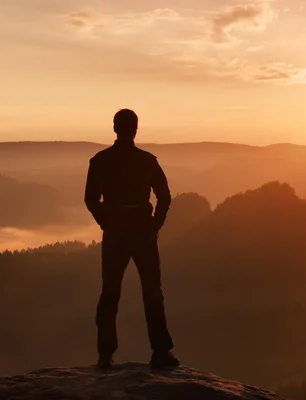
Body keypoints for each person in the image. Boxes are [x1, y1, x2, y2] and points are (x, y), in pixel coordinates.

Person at [84, 109, 179, 369]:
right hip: (142, 230)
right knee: (152, 291)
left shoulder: (100, 161)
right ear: (135, 129)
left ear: (114, 128)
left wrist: (107, 221)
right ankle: (161, 352)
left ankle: (105, 355)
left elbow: (91, 199)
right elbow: (164, 196)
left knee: (110, 293)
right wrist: (154, 225)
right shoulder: (147, 161)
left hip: (115, 232)